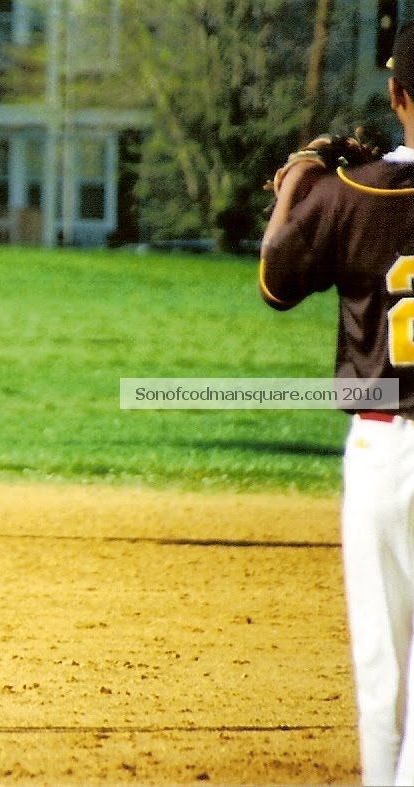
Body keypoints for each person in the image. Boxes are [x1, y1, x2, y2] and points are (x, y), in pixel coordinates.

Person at [259, 23, 414, 785]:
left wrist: (306, 172)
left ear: (395, 95)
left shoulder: (349, 190)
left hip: (382, 446)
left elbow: (275, 279)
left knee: (381, 660)